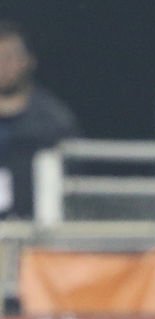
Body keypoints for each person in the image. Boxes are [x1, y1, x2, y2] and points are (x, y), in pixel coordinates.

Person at [0, 22, 77, 219]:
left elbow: (72, 183)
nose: (3, 65)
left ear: (28, 61)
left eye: (10, 56)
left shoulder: (54, 120)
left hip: (34, 233)